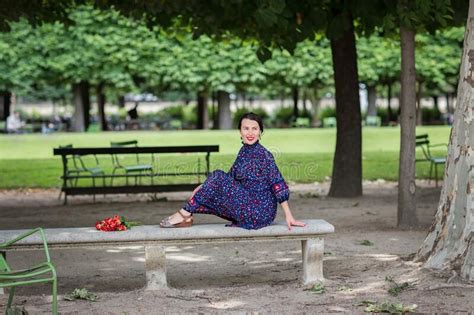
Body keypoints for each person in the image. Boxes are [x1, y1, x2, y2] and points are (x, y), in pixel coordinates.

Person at [160, 112, 306, 230]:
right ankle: (186, 217)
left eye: (254, 128)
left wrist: (289, 216)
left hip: (260, 211)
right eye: (246, 128)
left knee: (217, 175)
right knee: (211, 183)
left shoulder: (264, 155)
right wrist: (202, 187)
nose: (250, 133)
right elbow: (231, 178)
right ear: (240, 131)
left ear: (260, 132)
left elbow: (278, 185)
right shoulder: (244, 151)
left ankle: (183, 214)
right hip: (247, 202)